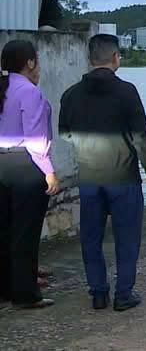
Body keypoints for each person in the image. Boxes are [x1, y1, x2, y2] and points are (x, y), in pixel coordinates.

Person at [59, 34, 146, 312]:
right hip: (123, 177)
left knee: (91, 237)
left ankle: (99, 293)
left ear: (90, 60)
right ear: (116, 58)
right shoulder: (127, 91)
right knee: (126, 237)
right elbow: (140, 136)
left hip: (90, 177)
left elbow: (65, 134)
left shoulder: (70, 94)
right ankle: (123, 293)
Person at [0, 40, 60, 309]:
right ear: (30, 63)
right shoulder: (30, 92)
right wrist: (49, 172)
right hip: (24, 165)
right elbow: (36, 139)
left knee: (4, 230)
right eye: (38, 60)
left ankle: (7, 287)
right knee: (25, 233)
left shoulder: (4, 89)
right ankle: (25, 293)